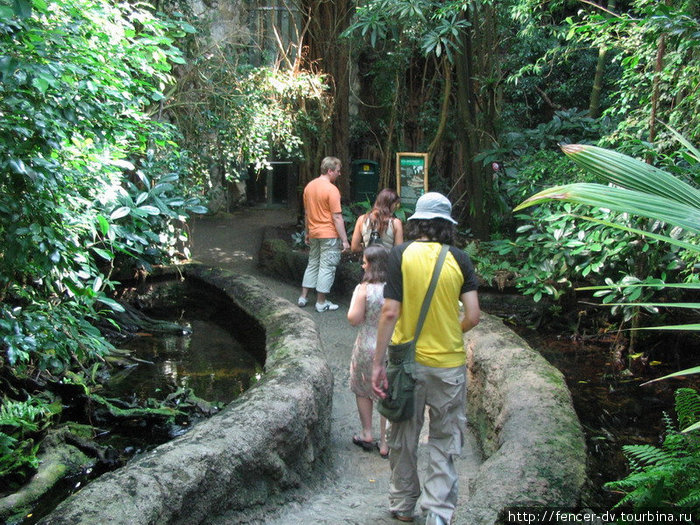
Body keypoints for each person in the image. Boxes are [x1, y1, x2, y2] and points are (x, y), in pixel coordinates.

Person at [371, 192, 480, 525]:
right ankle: (437, 513)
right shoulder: (460, 259)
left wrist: (377, 363)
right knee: (445, 440)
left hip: (408, 365)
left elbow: (390, 312)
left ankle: (404, 504)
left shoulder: (400, 255)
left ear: (417, 222)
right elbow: (473, 316)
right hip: (448, 365)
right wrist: (448, 330)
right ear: (447, 226)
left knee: (402, 436)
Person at [347, 245, 390, 458]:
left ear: (372, 265)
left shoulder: (363, 289)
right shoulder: (395, 289)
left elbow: (353, 319)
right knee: (386, 393)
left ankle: (366, 433)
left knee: (363, 388)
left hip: (366, 344)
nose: (362, 265)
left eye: (364, 262)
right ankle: (385, 442)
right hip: (390, 346)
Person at [298, 156, 350, 312]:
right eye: (338, 171)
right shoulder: (331, 189)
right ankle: (321, 302)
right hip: (328, 234)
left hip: (314, 232)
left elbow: (307, 213)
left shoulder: (309, 187)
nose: (339, 174)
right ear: (330, 170)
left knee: (313, 263)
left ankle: (303, 297)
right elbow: (337, 216)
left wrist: (307, 232)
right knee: (327, 267)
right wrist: (345, 240)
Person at [350, 188, 404, 253]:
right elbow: (398, 250)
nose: (395, 207)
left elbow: (354, 248)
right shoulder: (395, 223)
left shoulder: (362, 219)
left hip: (369, 261)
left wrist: (367, 249)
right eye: (395, 204)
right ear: (390, 204)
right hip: (387, 261)